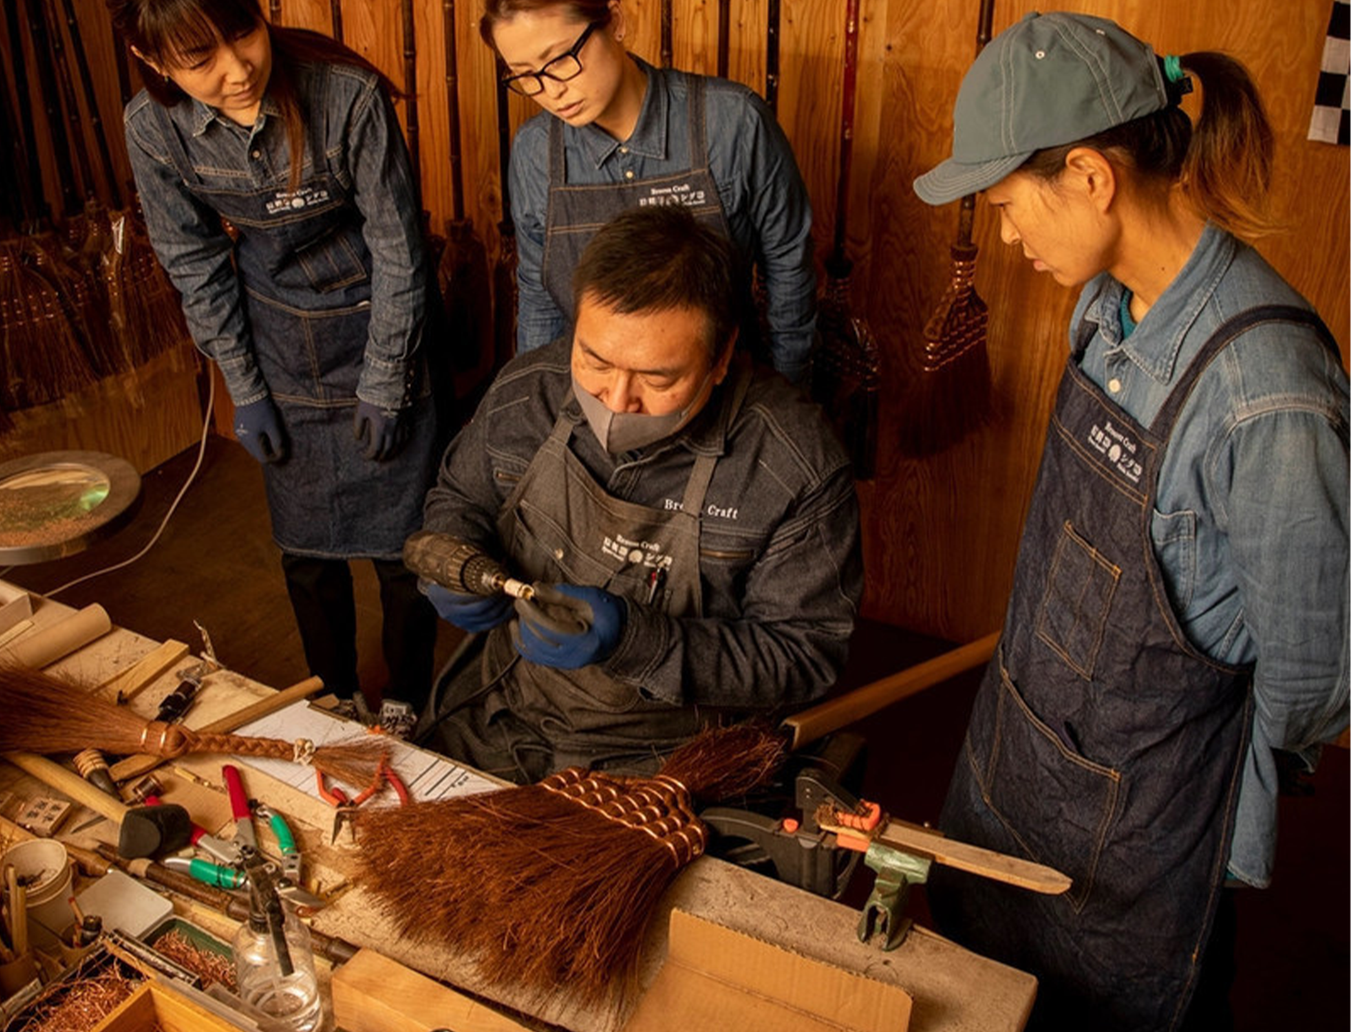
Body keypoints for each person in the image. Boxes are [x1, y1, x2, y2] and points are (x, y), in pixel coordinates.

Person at [913, 12, 1349, 1032]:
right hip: (1017, 747)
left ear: (1089, 176)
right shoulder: (1101, 310)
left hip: (1141, 823)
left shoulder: (1268, 393)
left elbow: (1315, 675)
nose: (1004, 235)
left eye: (1008, 205)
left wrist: (1200, 809)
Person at [416, 206, 862, 781]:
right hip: (506, 712)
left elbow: (805, 655)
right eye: (593, 362)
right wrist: (454, 561)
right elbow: (458, 497)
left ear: (722, 356)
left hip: (669, 759)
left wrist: (639, 641)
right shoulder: (528, 391)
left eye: (658, 379)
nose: (616, 400)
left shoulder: (791, 466)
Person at [109, 0, 446, 721]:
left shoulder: (343, 94)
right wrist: (244, 384)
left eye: (243, 35)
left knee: (403, 549)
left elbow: (398, 252)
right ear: (152, 61)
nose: (238, 71)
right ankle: (333, 693)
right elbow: (194, 261)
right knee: (307, 549)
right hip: (279, 343)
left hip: (380, 323)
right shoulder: (153, 129)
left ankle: (409, 695)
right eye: (200, 61)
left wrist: (387, 382)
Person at [482, 0, 818, 385]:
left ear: (616, 21)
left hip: (724, 389)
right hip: (595, 396)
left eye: (559, 59)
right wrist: (533, 398)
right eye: (525, 75)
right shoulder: (534, 152)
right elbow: (540, 303)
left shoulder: (735, 122)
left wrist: (790, 392)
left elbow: (789, 267)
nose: (552, 91)